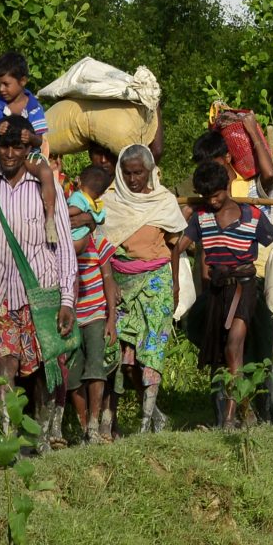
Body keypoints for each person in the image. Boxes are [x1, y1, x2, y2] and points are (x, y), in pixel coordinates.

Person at [0, 115, 75, 449]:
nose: (10, 153)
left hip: (41, 293)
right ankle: (8, 437)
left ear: (28, 148)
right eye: (4, 145)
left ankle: (41, 435)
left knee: (46, 366)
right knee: (5, 365)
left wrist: (67, 299)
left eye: (18, 146)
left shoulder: (47, 187)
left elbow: (64, 246)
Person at [185, 161, 273, 429]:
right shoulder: (201, 217)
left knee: (234, 346)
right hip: (217, 292)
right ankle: (236, 410)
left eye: (216, 194)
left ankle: (229, 417)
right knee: (221, 353)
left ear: (226, 188)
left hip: (246, 288)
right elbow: (178, 244)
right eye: (208, 197)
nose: (213, 201)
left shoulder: (251, 215)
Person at [100, 143, 183, 433]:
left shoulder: (164, 202)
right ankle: (128, 416)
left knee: (152, 350)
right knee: (125, 357)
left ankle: (146, 421)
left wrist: (175, 285)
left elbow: (173, 246)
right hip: (121, 284)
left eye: (138, 173)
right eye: (128, 173)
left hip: (156, 282)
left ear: (149, 172)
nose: (133, 179)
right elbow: (103, 248)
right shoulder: (110, 203)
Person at [59, 149, 120, 442]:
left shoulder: (97, 238)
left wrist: (110, 318)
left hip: (94, 312)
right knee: (72, 376)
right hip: (68, 313)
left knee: (95, 370)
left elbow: (108, 277)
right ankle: (84, 425)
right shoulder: (61, 237)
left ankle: (94, 425)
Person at [0, 51, 48, 147]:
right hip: (0, 157)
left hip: (28, 157)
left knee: (38, 163)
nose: (1, 89)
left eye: (6, 84)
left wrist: (30, 137)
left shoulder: (34, 108)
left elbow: (39, 141)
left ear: (22, 81)